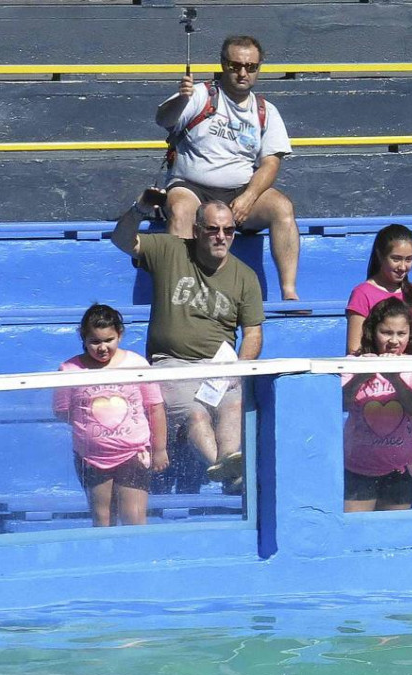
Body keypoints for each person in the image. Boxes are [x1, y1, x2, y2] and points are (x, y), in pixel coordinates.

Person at [111, 197, 264, 491]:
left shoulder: (245, 276)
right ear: (196, 230)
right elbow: (121, 240)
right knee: (196, 414)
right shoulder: (171, 250)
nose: (222, 236)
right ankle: (231, 475)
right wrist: (140, 209)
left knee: (233, 406)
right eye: (212, 229)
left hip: (222, 365)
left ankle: (230, 464)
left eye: (229, 230)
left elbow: (253, 333)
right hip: (172, 363)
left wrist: (239, 370)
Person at [155, 34, 300, 301]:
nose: (243, 73)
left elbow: (270, 163)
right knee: (181, 209)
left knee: (282, 207)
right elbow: (163, 119)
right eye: (236, 66)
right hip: (192, 187)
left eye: (251, 67)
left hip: (240, 192)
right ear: (223, 64)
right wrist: (180, 99)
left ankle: (289, 292)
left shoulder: (266, 110)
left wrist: (250, 196)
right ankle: (177, 294)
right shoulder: (200, 94)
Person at [53, 305, 169, 526]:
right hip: (91, 457)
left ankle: (137, 557)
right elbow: (61, 411)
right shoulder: (69, 369)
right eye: (95, 341)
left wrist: (160, 449)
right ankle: (106, 555)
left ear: (120, 335)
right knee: (103, 519)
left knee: (133, 518)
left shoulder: (136, 364)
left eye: (109, 340)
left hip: (133, 453)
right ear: (83, 338)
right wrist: (93, 430)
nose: (102, 348)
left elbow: (155, 407)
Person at [342, 298, 412, 512]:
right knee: (357, 530)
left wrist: (395, 379)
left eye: (401, 334)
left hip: (401, 469)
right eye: (386, 332)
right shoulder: (354, 363)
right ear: (373, 331)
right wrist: (360, 377)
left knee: (393, 532)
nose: (394, 341)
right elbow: (340, 402)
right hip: (358, 466)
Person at [345, 224, 412, 432]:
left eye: (408, 259)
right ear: (379, 255)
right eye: (396, 258)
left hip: (410, 389)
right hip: (372, 391)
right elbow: (354, 349)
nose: (403, 266)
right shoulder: (362, 293)